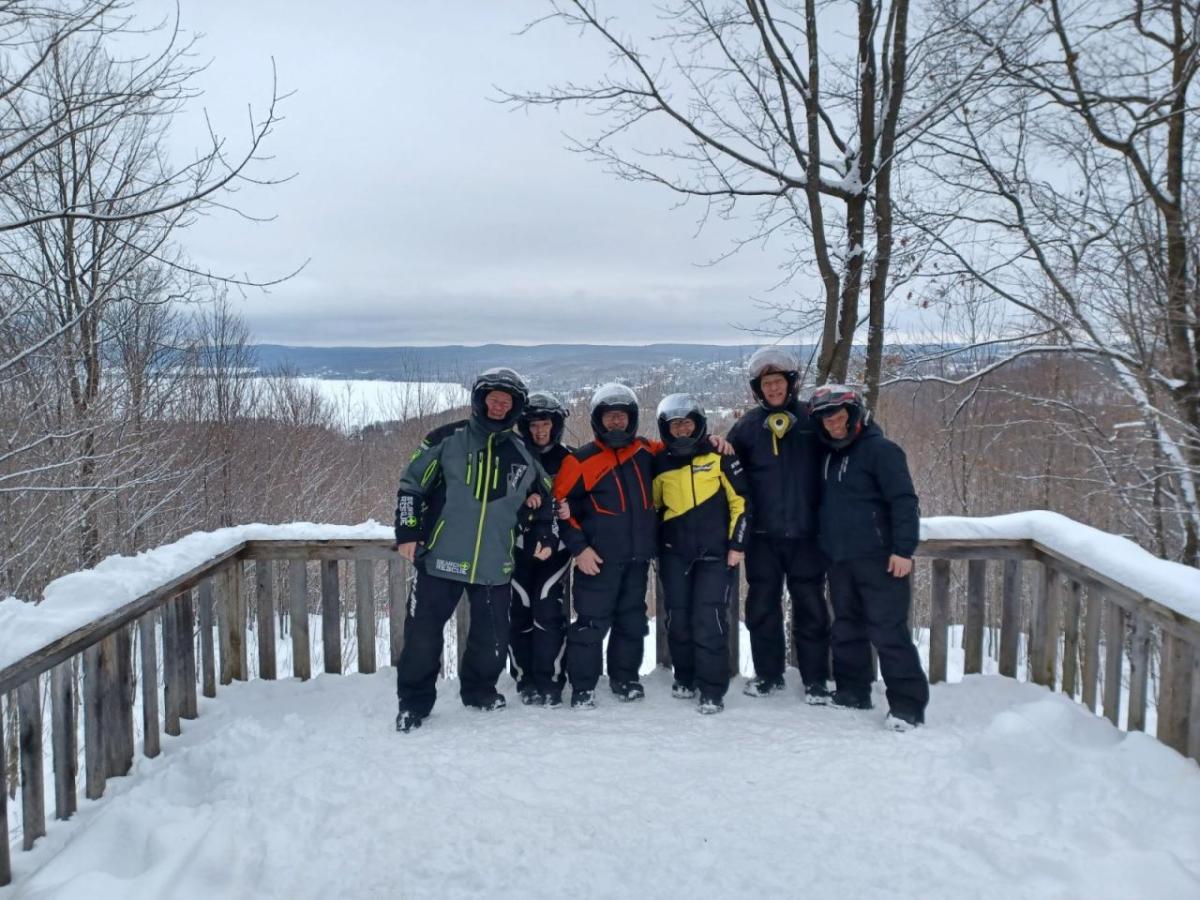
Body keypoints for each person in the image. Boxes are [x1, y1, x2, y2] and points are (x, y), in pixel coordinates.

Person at [392, 367, 555, 733]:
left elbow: (546, 496)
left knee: (491, 638)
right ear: (480, 400)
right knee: (422, 637)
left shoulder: (522, 452)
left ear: (515, 408)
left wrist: (543, 529)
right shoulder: (447, 438)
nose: (498, 406)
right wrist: (407, 531)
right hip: (439, 558)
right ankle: (414, 704)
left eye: (506, 401)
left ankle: (480, 691)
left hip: (494, 563)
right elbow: (411, 485)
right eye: (493, 399)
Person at [809, 384, 929, 731]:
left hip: (881, 560)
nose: (832, 422)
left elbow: (904, 502)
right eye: (825, 417)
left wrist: (903, 549)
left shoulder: (882, 451)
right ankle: (853, 690)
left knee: (888, 631)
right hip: (840, 558)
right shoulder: (829, 454)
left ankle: (907, 706)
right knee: (846, 627)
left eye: (838, 415)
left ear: (854, 412)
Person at [727, 348, 832, 703]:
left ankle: (816, 679)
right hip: (762, 539)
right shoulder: (746, 428)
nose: (773, 389)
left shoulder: (813, 419)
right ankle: (769, 675)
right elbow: (726, 471)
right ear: (759, 389)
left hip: (807, 536)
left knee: (811, 609)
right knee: (761, 609)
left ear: (791, 384)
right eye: (766, 384)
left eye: (778, 382)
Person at [553, 383, 657, 708]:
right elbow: (559, 506)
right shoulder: (581, 460)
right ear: (599, 420)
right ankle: (582, 686)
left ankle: (624, 678)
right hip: (597, 560)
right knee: (590, 624)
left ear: (632, 419)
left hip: (637, 559)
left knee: (631, 621)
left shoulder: (647, 452)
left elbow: (685, 446)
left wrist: (715, 442)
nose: (616, 423)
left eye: (621, 417)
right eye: (610, 417)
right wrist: (579, 548)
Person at [652, 394, 750, 714]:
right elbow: (653, 507)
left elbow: (742, 503)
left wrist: (737, 544)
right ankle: (685, 675)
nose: (682, 430)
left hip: (716, 554)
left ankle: (712, 688)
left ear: (699, 425)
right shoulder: (660, 462)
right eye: (675, 425)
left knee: (709, 619)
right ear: (666, 429)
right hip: (674, 553)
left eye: (688, 424)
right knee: (677, 618)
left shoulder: (719, 456)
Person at [508, 391, 573, 707]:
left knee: (547, 610)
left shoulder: (570, 459)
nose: (539, 430)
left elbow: (583, 502)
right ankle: (524, 679)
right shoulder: (512, 455)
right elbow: (497, 500)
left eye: (545, 423)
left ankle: (552, 679)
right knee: (518, 611)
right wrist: (524, 505)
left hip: (557, 549)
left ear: (556, 424)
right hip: (517, 548)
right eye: (533, 425)